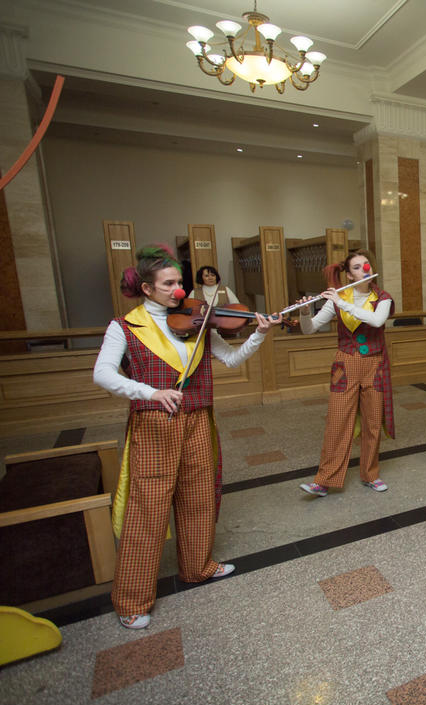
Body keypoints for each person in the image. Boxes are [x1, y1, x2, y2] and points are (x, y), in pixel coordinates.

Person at [93, 245, 276, 629]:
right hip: (154, 425)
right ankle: (131, 598)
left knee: (199, 495)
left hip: (197, 419)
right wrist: (149, 392)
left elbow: (231, 359)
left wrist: (259, 334)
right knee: (148, 508)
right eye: (168, 284)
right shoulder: (124, 326)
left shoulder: (197, 321)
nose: (179, 290)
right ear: (146, 288)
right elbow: (103, 374)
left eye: (179, 282)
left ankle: (197, 566)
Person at [297, 250, 395, 497]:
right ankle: (324, 480)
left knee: (373, 423)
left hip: (374, 365)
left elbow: (376, 321)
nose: (364, 270)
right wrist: (304, 312)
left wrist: (341, 303)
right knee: (337, 421)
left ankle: (370, 474)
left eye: (366, 265)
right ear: (349, 275)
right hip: (345, 365)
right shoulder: (338, 298)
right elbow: (309, 329)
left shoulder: (382, 297)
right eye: (357, 267)